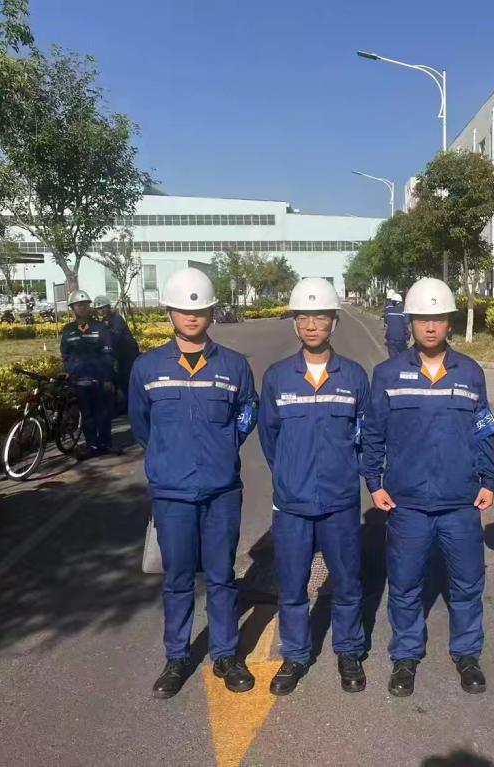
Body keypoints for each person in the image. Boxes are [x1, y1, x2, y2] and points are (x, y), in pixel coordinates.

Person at [363, 277, 494, 697]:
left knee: (467, 583)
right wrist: (374, 482)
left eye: (437, 318)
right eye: (422, 318)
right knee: (405, 585)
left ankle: (467, 654)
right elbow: (373, 433)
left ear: (448, 323)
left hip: (460, 501)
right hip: (407, 504)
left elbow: (483, 428)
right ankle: (406, 657)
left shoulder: (470, 372)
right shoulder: (388, 374)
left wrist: (489, 478)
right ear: (410, 323)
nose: (429, 326)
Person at [128, 267, 259, 699]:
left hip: (222, 490)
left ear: (211, 313)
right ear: (169, 312)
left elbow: (248, 411)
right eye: (183, 309)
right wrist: (168, 456)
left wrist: (225, 445)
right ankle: (177, 656)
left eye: (200, 309)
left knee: (222, 576)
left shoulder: (234, 365)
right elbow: (141, 424)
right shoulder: (147, 367)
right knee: (178, 579)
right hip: (173, 493)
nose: (191, 316)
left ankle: (225, 654)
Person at [257, 278, 369, 696]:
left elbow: (365, 435)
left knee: (347, 583)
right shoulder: (277, 377)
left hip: (340, 502)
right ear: (294, 322)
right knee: (292, 586)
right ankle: (296, 655)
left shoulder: (353, 377)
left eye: (320, 316)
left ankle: (349, 651)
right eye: (303, 317)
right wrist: (289, 473)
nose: (311, 325)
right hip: (292, 504)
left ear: (334, 322)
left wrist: (346, 472)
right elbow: (269, 437)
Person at [60, 290, 115, 459]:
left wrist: (107, 378)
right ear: (72, 308)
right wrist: (70, 370)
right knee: (87, 415)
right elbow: (65, 354)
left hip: (99, 379)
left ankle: (105, 443)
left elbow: (108, 354)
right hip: (79, 380)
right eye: (78, 305)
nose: (82, 308)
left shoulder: (100, 328)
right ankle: (92, 444)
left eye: (85, 305)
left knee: (102, 413)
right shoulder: (68, 330)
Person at [93, 294, 140, 414]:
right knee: (117, 379)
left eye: (103, 308)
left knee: (126, 379)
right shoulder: (104, 321)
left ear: (108, 307)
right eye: (99, 309)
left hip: (128, 354)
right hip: (116, 355)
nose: (101, 311)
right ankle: (120, 405)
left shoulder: (117, 319)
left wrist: (107, 331)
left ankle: (131, 407)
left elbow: (116, 337)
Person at [383, 290, 410, 358]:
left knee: (393, 359)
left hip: (391, 339)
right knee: (403, 358)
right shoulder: (404, 311)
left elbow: (386, 322)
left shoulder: (389, 311)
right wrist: (408, 337)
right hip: (401, 339)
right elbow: (406, 324)